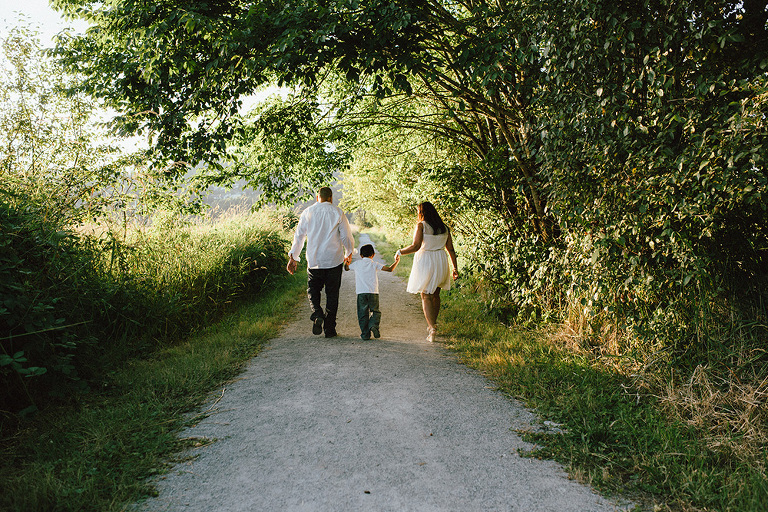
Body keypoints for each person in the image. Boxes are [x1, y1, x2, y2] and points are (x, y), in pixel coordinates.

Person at [287, 187, 354, 338]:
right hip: (334, 261)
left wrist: (293, 257)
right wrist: (349, 253)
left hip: (315, 260)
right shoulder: (338, 212)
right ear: (331, 198)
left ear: (318, 198)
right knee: (332, 295)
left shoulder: (308, 212)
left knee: (313, 290)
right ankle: (330, 329)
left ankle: (317, 313)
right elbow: (346, 237)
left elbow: (299, 237)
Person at [397, 201, 458, 342]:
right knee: (436, 294)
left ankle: (432, 328)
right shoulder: (444, 228)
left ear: (422, 212)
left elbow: (416, 246)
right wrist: (455, 268)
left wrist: (400, 252)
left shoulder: (422, 226)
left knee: (426, 296)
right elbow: (451, 249)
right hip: (441, 260)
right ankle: (433, 324)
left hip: (426, 260)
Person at [345, 243, 400, 340]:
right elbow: (390, 269)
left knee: (362, 314)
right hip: (373, 292)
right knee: (375, 311)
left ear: (361, 255)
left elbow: (346, 268)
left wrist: (347, 262)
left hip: (361, 293)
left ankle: (365, 334)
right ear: (373, 255)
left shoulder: (357, 264)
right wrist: (397, 261)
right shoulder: (375, 264)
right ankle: (374, 325)